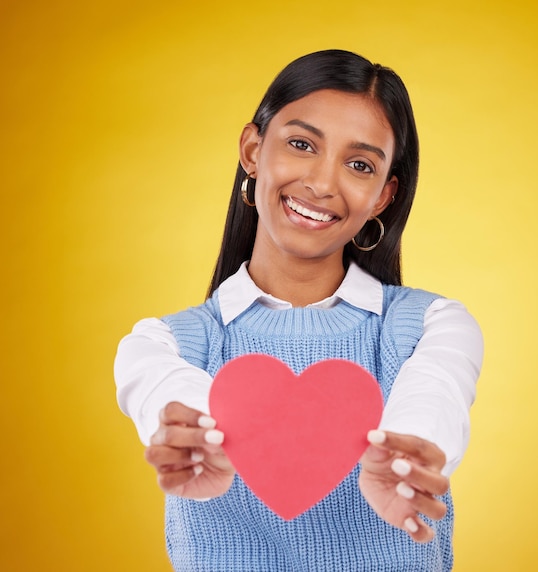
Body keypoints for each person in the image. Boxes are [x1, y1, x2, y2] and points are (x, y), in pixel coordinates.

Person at [114, 49, 483, 571]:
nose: (322, 183)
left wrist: (409, 454)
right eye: (301, 144)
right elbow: (165, 391)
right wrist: (199, 435)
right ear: (252, 149)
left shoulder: (430, 326)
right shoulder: (163, 343)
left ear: (383, 195)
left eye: (359, 165)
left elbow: (435, 394)